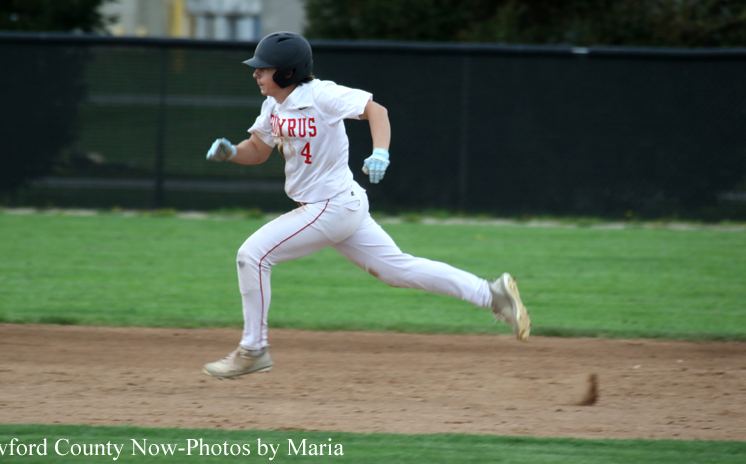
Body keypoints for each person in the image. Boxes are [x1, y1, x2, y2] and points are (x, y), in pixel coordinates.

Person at [203, 32, 530, 378]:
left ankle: (253, 349)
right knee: (397, 270)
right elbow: (257, 150)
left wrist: (380, 152)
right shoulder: (273, 105)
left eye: (263, 69)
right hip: (341, 206)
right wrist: (232, 153)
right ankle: (492, 294)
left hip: (328, 206)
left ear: (287, 73)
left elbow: (377, 111)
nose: (255, 74)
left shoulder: (321, 94)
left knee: (252, 255)